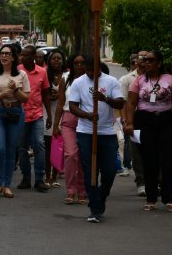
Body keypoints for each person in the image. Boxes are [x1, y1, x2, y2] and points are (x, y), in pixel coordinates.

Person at [124, 50, 172, 213]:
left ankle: (168, 197)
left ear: (159, 63)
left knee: (169, 159)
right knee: (149, 159)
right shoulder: (139, 81)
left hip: (166, 121)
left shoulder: (169, 79)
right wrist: (129, 123)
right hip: (145, 121)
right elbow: (130, 103)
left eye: (151, 60)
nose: (146, 63)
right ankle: (151, 198)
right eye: (145, 60)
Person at [69, 55, 124, 223]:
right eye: (87, 70)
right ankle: (95, 207)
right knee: (90, 170)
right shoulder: (78, 83)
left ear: (99, 67)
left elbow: (120, 104)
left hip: (107, 132)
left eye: (93, 70)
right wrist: (87, 115)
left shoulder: (111, 81)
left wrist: (104, 98)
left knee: (109, 170)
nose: (90, 73)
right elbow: (73, 106)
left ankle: (102, 194)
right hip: (86, 132)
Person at [0, 44, 30, 199]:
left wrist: (15, 90)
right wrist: (2, 95)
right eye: (2, 53)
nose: (4, 56)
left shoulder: (21, 75)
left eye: (7, 53)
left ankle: (7, 185)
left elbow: (26, 98)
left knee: (11, 150)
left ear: (13, 57)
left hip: (16, 112)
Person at [53, 54, 87, 204]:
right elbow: (60, 103)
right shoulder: (65, 79)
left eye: (82, 63)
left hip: (85, 120)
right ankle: (71, 190)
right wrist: (55, 125)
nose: (79, 66)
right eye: (76, 63)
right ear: (71, 64)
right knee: (71, 155)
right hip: (68, 120)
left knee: (83, 157)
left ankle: (82, 190)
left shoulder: (91, 79)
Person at [17, 45, 52, 193]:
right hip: (20, 114)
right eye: (22, 55)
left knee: (39, 144)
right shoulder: (17, 70)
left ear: (33, 57)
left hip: (37, 114)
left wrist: (49, 114)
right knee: (22, 147)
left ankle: (39, 179)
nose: (23, 57)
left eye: (26, 55)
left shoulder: (42, 72)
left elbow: (45, 94)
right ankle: (26, 177)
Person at [119, 51, 148, 196]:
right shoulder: (127, 79)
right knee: (136, 152)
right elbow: (124, 103)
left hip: (151, 120)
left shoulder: (155, 77)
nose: (143, 61)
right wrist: (125, 121)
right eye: (140, 58)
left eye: (146, 58)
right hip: (134, 119)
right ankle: (141, 182)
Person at [43, 48, 67, 188]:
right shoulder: (45, 75)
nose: (56, 60)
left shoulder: (68, 75)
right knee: (47, 146)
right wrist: (48, 96)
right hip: (48, 112)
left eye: (59, 58)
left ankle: (55, 176)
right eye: (53, 58)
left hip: (63, 113)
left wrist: (60, 96)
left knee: (59, 145)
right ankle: (47, 176)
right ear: (49, 61)